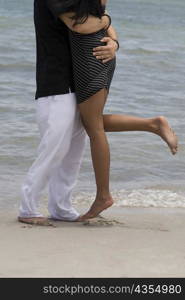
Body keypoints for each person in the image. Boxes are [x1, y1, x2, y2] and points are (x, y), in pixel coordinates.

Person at [18, 0, 178, 226]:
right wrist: (106, 21)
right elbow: (80, 25)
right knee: (55, 147)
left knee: (73, 151)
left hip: (80, 77)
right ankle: (28, 206)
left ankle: (61, 207)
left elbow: (101, 18)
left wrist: (114, 42)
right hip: (56, 81)